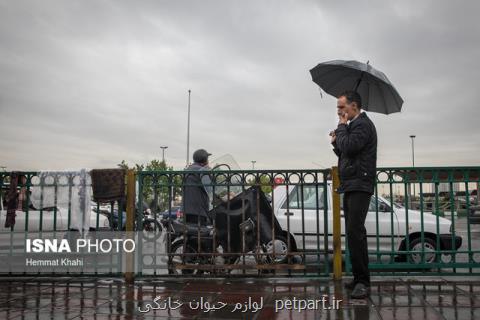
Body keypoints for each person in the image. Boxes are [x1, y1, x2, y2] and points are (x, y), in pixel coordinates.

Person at [330, 90, 377, 299]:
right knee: (354, 234)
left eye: (342, 107)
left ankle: (363, 282)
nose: (339, 111)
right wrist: (336, 140)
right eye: (338, 107)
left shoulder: (363, 125)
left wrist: (341, 128)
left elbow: (349, 146)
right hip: (352, 183)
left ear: (354, 106)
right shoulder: (354, 126)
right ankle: (359, 279)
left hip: (360, 184)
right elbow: (345, 152)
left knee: (355, 233)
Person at [182, 149, 213, 226]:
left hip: (186, 209)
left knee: (190, 232)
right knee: (200, 234)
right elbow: (209, 189)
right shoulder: (202, 171)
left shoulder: (187, 170)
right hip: (199, 210)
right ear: (204, 160)